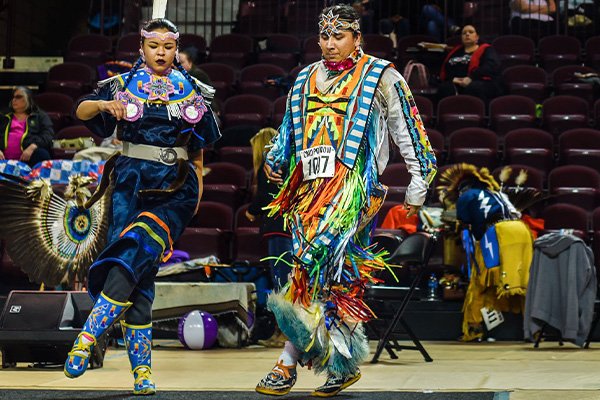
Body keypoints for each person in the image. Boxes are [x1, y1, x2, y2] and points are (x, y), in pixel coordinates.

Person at [255, 4, 437, 397]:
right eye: (325, 36)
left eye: (339, 36)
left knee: (311, 262)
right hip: (307, 191)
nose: (331, 44)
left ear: (357, 38)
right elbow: (290, 128)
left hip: (354, 190)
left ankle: (287, 362)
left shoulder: (381, 76)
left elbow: (409, 131)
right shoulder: (305, 78)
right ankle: (341, 363)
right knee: (338, 278)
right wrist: (275, 157)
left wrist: (418, 187)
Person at [63, 16, 220, 395]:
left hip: (174, 187)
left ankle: (89, 335)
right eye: (154, 46)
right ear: (142, 48)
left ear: (176, 48)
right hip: (129, 183)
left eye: (168, 47)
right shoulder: (122, 84)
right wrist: (105, 105)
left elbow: (200, 146)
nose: (161, 52)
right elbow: (80, 110)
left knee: (137, 249)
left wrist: (197, 187)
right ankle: (142, 372)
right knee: (137, 271)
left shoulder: (190, 88)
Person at [437, 164, 533, 342]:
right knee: (525, 282)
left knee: (480, 282)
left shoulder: (466, 196)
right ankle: (533, 330)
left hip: (498, 234)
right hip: (522, 231)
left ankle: (474, 329)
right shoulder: (498, 194)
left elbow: (464, 223)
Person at [246, 127, 293, 348]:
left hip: (278, 227)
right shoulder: (284, 163)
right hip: (287, 227)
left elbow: (265, 197)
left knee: (282, 283)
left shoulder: (269, 164)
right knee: (285, 282)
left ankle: (286, 333)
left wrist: (252, 211)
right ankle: (284, 331)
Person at [437, 24, 502, 104]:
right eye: (464, 33)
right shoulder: (454, 52)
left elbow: (491, 66)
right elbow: (446, 69)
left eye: (471, 32)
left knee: (474, 88)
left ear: (477, 37)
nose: (467, 34)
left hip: (477, 81)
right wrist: (452, 79)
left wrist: (471, 78)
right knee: (444, 88)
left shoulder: (486, 49)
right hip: (455, 82)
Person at [0, 87, 54, 167]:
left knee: (42, 154)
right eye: (13, 97)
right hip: (3, 160)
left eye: (18, 97)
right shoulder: (3, 116)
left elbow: (48, 135)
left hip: (28, 159)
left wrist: (33, 147)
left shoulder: (40, 116)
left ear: (28, 99)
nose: (14, 100)